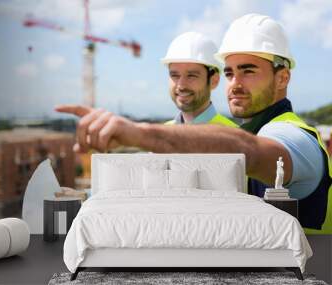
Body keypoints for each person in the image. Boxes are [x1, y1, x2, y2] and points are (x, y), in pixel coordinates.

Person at [56, 14, 331, 234]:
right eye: (230, 73)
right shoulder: (253, 131)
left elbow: (252, 150)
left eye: (248, 71)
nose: (235, 84)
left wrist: (140, 134)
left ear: (282, 78)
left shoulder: (295, 136)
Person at [161, 32, 236, 127]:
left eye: (191, 75)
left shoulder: (235, 136)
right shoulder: (162, 133)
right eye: (175, 75)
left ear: (214, 80)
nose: (181, 85)